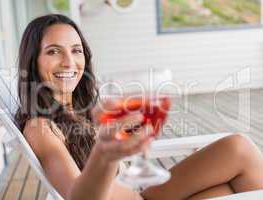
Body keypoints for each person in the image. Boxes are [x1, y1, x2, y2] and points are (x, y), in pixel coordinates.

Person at [14, 14, 263, 200]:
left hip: (142, 195)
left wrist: (125, 137)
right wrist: (106, 153)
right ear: (33, 60)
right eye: (54, 51)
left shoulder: (77, 111)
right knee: (238, 157)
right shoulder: (40, 127)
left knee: (234, 168)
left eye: (76, 51)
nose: (69, 62)